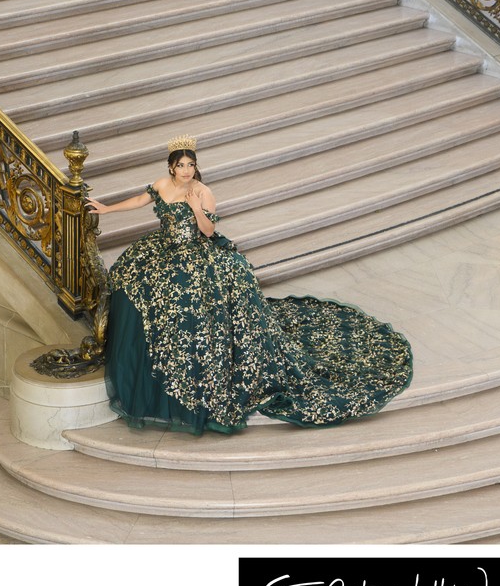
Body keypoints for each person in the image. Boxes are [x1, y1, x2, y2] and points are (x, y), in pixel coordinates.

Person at [85, 135, 412, 435]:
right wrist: (107, 208)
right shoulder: (161, 184)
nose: (186, 170)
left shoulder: (203, 191)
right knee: (132, 287)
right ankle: (152, 381)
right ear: (171, 166)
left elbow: (209, 233)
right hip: (164, 250)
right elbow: (141, 200)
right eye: (181, 165)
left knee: (192, 308)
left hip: (196, 254)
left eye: (191, 165)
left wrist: (197, 208)